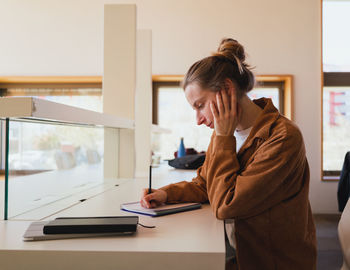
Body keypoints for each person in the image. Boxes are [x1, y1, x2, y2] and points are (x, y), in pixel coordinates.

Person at [140, 38, 317, 270]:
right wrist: (165, 193)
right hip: (240, 251)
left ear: (226, 89)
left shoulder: (283, 137)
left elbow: (227, 205)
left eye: (200, 105)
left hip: (273, 261)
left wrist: (223, 138)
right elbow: (206, 183)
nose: (199, 119)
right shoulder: (226, 132)